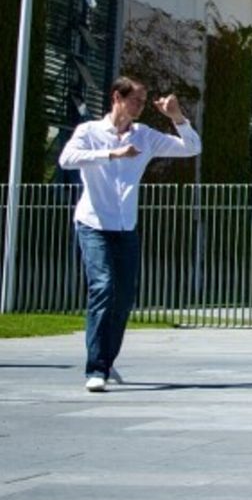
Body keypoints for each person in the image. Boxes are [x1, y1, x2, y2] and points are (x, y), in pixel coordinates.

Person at [58, 75, 201, 392]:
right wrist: (111, 155)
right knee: (103, 286)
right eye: (135, 99)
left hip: (126, 228)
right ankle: (95, 369)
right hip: (93, 223)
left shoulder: (146, 136)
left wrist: (176, 116)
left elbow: (192, 148)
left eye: (143, 100)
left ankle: (106, 363)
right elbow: (66, 159)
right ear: (117, 98)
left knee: (122, 298)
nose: (140, 106)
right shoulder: (89, 132)